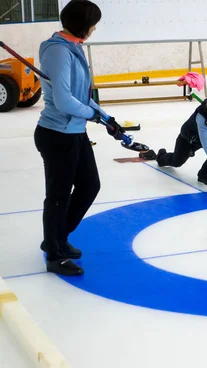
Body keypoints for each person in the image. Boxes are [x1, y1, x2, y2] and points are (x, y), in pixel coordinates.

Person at [35, 0, 127, 276]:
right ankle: (54, 253)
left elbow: (81, 97)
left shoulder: (73, 47)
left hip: (75, 131)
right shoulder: (59, 52)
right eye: (93, 23)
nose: (95, 28)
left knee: (89, 186)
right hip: (57, 134)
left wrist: (106, 117)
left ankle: (57, 236)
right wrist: (94, 115)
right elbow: (64, 101)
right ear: (83, 26)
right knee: (58, 196)